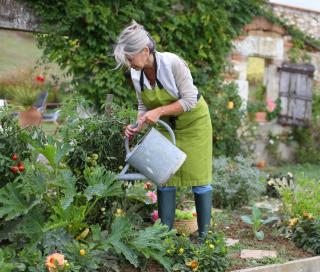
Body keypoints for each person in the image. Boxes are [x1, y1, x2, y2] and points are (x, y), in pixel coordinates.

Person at [114, 21, 212, 237]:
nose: (129, 64)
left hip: (194, 123)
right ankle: (164, 236)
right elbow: (143, 106)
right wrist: (136, 125)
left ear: (145, 51)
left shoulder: (173, 64)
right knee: (164, 176)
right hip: (168, 127)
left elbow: (189, 100)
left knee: (200, 179)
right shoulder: (136, 74)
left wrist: (158, 111)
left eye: (130, 58)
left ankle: (205, 237)